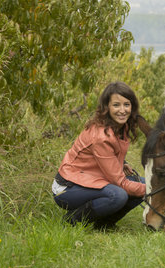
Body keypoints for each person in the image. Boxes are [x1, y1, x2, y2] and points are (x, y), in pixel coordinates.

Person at [52, 81, 147, 230]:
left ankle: (103, 225)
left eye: (126, 105)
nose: (122, 110)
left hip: (91, 179)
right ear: (107, 107)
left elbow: (104, 156)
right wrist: (153, 189)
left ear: (132, 106)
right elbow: (120, 183)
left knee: (142, 182)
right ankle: (70, 221)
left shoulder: (121, 126)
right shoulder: (101, 136)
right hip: (67, 188)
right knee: (119, 195)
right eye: (116, 105)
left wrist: (121, 164)